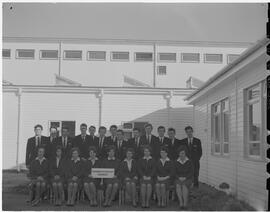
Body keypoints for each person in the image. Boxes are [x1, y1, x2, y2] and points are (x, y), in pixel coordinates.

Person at [174, 145, 194, 210]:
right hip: (178, 178)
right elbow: (174, 172)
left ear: (185, 153)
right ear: (178, 153)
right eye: (180, 153)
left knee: (184, 186)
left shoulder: (189, 161)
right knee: (178, 185)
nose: (181, 154)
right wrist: (179, 177)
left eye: (183, 153)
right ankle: (181, 203)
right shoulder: (176, 162)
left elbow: (191, 172)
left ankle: (185, 203)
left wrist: (185, 178)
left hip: (187, 178)